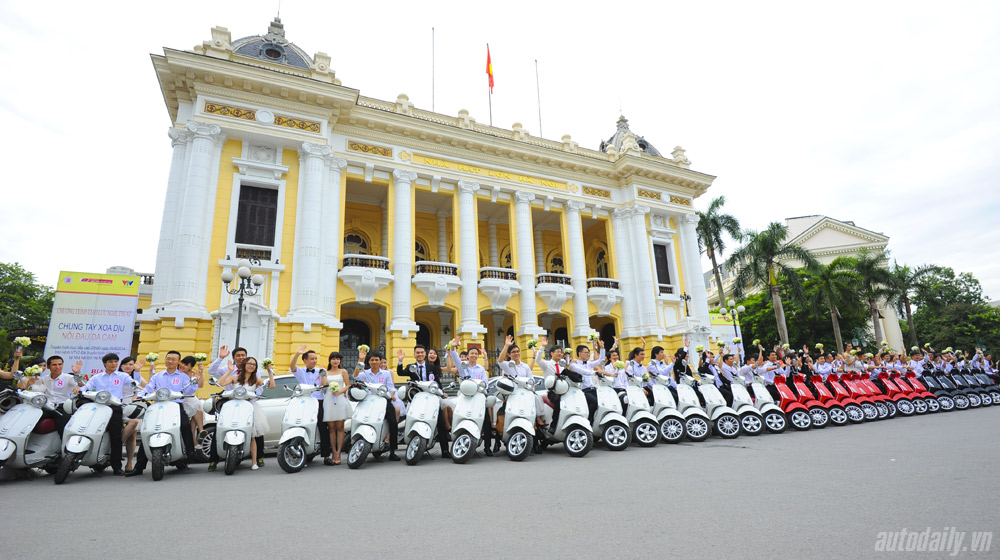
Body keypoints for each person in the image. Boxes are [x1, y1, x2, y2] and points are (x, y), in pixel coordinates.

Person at [128, 353, 204, 476]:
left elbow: (189, 390)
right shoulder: (158, 376)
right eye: (168, 358)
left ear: (178, 361)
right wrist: (140, 395)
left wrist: (194, 381)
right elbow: (148, 388)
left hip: (175, 405)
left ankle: (190, 452)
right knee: (148, 430)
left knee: (185, 425)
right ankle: (139, 467)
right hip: (158, 406)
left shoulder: (183, 377)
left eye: (173, 359)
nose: (170, 361)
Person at [207, 345, 266, 468]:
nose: (241, 358)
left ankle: (259, 457)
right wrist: (220, 358)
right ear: (233, 357)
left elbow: (260, 387)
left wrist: (253, 396)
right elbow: (211, 372)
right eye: (238, 355)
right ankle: (214, 460)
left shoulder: (253, 370)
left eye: (243, 355)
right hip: (230, 403)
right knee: (221, 427)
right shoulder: (228, 370)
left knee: (255, 431)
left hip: (248, 403)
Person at [218, 357, 275, 469]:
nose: (251, 366)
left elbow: (271, 386)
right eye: (249, 363)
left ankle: (254, 462)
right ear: (244, 365)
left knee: (252, 435)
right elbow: (220, 383)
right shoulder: (235, 378)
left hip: (249, 407)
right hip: (235, 406)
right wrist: (229, 371)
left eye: (254, 364)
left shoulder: (256, 380)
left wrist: (270, 372)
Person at [81, 353, 131, 475]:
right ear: (104, 363)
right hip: (99, 408)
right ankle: (94, 459)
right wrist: (79, 389)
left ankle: (117, 467)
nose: (114, 364)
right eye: (110, 362)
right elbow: (86, 387)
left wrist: (138, 373)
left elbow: (133, 384)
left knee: (116, 436)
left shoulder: (123, 376)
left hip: (115, 408)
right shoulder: (96, 377)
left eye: (115, 361)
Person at [396, 345, 450, 458]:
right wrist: (400, 361)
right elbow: (400, 373)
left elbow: (437, 382)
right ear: (414, 354)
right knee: (411, 418)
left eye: (422, 352)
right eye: (417, 353)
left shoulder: (431, 367)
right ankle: (412, 445)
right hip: (416, 398)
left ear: (425, 354)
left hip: (431, 398)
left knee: (440, 422)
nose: (420, 354)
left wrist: (442, 392)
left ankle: (445, 451)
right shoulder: (411, 367)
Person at [445, 339, 491, 455]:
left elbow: (485, 382)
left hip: (478, 398)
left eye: (476, 354)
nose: (474, 355)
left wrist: (484, 391)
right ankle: (456, 442)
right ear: (468, 356)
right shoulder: (463, 366)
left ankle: (487, 447)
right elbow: (455, 359)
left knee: (486, 421)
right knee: (459, 417)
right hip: (465, 397)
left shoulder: (480, 369)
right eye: (472, 353)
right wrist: (453, 348)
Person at [290, 344, 333, 465]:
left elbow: (324, 388)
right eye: (312, 358)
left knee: (323, 428)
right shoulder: (301, 372)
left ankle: (326, 456)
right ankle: (306, 453)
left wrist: (323, 375)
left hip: (318, 402)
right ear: (305, 360)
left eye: (315, 359)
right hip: (304, 402)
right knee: (303, 426)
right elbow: (292, 366)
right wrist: (297, 354)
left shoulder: (320, 371)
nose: (314, 361)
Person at [18, 355, 81, 436]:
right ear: (48, 367)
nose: (57, 367)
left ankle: (65, 446)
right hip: (47, 407)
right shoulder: (44, 379)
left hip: (62, 407)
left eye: (60, 364)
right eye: (54, 365)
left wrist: (77, 373)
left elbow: (81, 385)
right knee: (29, 419)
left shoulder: (68, 378)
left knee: (63, 428)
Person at [354, 349, 400, 460]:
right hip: (369, 401)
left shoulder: (386, 373)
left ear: (380, 362)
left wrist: (391, 395)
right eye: (372, 360)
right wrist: (361, 359)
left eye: (376, 360)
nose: (374, 362)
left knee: (393, 423)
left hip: (384, 401)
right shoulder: (364, 373)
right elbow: (355, 376)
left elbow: (391, 388)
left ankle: (392, 451)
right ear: (369, 362)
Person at [532, 336, 582, 434]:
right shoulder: (546, 364)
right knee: (559, 403)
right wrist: (542, 346)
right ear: (551, 353)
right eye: (557, 351)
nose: (560, 353)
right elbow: (538, 360)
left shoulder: (562, 365)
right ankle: (554, 425)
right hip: (552, 392)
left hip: (564, 391)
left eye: (561, 352)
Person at [566, 338, 605, 422]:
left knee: (603, 402)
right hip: (583, 390)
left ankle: (596, 420)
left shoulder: (588, 363)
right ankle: (588, 419)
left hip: (592, 388)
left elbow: (600, 361)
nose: (588, 354)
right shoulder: (574, 364)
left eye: (589, 352)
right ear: (580, 353)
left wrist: (602, 349)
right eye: (586, 352)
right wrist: (595, 372)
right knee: (594, 402)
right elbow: (583, 371)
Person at [118, 356, 147, 472]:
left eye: (131, 364)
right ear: (121, 366)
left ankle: (129, 463)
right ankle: (115, 447)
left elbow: (145, 386)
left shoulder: (136, 377)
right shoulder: (117, 376)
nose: (128, 366)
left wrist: (139, 371)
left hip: (130, 405)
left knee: (133, 433)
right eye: (125, 364)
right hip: (117, 404)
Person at [323, 352, 351, 465]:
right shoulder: (326, 372)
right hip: (329, 399)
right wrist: (322, 376)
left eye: (338, 359)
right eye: (333, 359)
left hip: (339, 399)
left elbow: (348, 384)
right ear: (330, 360)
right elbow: (324, 386)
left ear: (340, 361)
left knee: (340, 427)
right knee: (331, 428)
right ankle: (333, 451)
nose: (335, 361)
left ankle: (339, 453)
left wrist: (339, 391)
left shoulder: (343, 371)